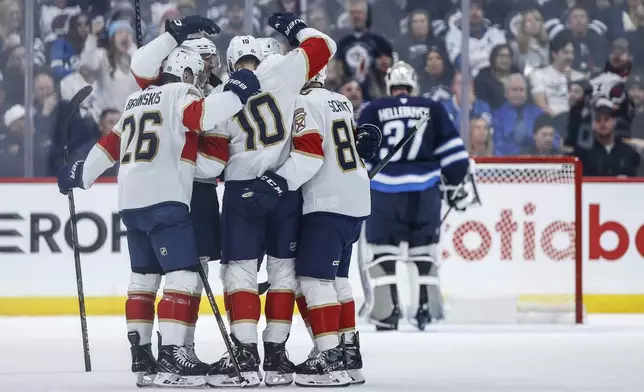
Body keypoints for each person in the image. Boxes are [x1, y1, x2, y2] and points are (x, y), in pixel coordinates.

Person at [56, 16, 261, 388]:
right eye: (196, 75)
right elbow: (202, 115)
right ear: (184, 71)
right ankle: (173, 359)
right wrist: (235, 93)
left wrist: (80, 174)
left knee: (142, 280)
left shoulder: (134, 100)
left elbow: (109, 146)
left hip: (131, 204)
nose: (199, 83)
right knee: (182, 277)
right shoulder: (181, 95)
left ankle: (143, 360)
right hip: (167, 201)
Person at [206, 13, 337, 388]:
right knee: (283, 274)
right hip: (283, 190)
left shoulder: (220, 96)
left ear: (230, 63)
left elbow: (211, 161)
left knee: (240, 274)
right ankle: (277, 360)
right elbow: (324, 46)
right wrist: (296, 27)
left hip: (240, 192)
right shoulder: (283, 73)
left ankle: (245, 358)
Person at [275, 66, 379, 387]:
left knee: (314, 280)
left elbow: (309, 157)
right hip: (355, 199)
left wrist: (275, 183)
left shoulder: (304, 103)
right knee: (338, 280)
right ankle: (350, 356)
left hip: (326, 202)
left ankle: (329, 358)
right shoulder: (341, 102)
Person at [357, 61, 471, 331]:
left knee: (383, 254)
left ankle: (387, 312)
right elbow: (455, 155)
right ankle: (426, 310)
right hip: (425, 193)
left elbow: (362, 155)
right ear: (413, 85)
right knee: (424, 252)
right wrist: (455, 184)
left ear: (390, 86)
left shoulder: (374, 109)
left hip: (385, 193)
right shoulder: (432, 108)